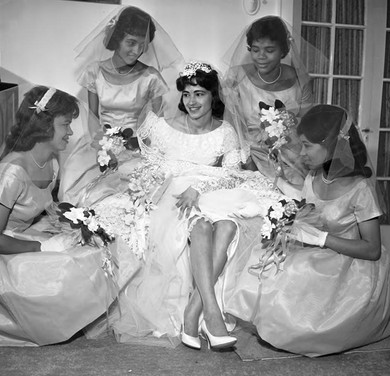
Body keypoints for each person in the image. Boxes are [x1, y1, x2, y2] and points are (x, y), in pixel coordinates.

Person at [78, 61, 279, 349]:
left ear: (213, 96)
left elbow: (232, 174)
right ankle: (210, 316)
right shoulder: (161, 127)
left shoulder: (225, 133)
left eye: (199, 93)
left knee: (227, 225)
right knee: (202, 225)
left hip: (207, 194)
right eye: (186, 94)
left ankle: (195, 312)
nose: (192, 101)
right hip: (170, 195)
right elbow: (148, 169)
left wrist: (198, 188)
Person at [0, 86, 125, 347]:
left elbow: (46, 208)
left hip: (22, 232)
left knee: (92, 250)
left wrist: (81, 223)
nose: (71, 132)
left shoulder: (50, 162)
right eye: (66, 124)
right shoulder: (10, 172)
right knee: (62, 266)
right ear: (44, 125)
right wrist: (42, 246)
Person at [224, 104, 390, 357]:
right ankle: (279, 324)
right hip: (319, 249)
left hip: (351, 262)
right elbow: (309, 215)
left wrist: (323, 238)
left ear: (333, 144)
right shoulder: (313, 178)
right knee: (267, 256)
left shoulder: (361, 189)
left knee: (299, 268)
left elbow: (372, 250)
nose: (302, 153)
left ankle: (300, 330)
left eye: (307, 145)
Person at [59, 5, 184, 205]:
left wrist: (138, 149)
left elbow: (156, 126)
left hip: (137, 147)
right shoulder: (95, 72)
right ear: (116, 38)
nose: (136, 51)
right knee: (78, 184)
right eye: (131, 42)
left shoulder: (151, 77)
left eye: (142, 45)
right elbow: (93, 118)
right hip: (98, 144)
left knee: (137, 194)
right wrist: (103, 148)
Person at [222, 15, 322, 186]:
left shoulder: (301, 81)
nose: (261, 56)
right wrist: (246, 161)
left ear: (283, 50)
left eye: (269, 50)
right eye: (255, 49)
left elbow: (308, 128)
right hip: (250, 158)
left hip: (293, 159)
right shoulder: (236, 77)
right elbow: (230, 127)